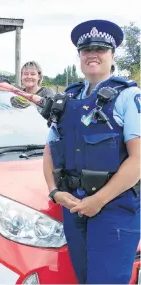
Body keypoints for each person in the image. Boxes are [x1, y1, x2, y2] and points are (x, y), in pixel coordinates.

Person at [43, 19, 140, 284]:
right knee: (84, 277)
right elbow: (50, 149)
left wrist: (99, 200)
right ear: (79, 56)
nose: (92, 54)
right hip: (74, 207)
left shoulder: (128, 97)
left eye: (100, 48)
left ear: (112, 55)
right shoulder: (67, 99)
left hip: (114, 209)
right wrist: (54, 191)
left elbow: (138, 160)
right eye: (86, 49)